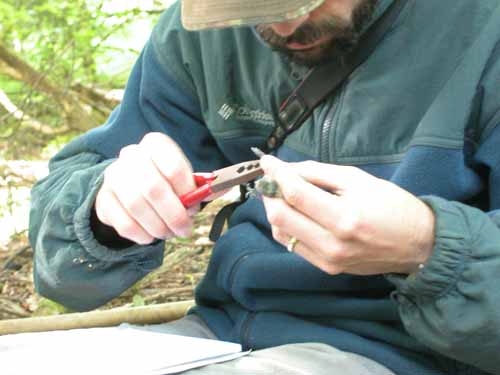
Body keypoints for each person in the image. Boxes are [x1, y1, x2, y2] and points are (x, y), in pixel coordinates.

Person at [29, 0, 500, 374]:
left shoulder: (484, 28)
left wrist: (429, 248)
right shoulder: (198, 34)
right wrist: (105, 213)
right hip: (215, 336)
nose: (289, 24)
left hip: (407, 353)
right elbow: (61, 267)